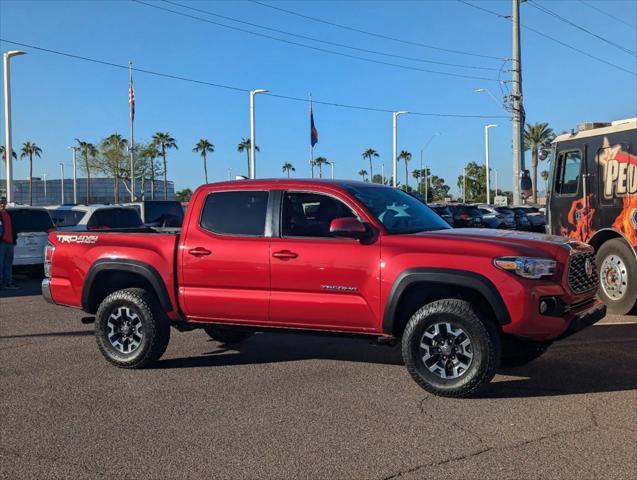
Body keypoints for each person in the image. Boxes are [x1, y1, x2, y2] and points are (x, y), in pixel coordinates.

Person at [0, 196, 18, 290]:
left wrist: (14, 238)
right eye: (1, 203)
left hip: (10, 243)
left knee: (8, 264)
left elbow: (12, 227)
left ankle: (8, 282)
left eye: (4, 202)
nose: (2, 204)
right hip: (1, 243)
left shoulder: (8, 214)